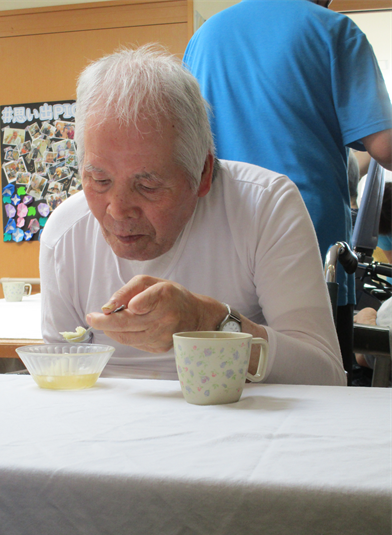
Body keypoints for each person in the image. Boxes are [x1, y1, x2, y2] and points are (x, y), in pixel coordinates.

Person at [40, 45, 346, 386]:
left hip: (240, 422)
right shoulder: (65, 234)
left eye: (147, 185)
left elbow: (326, 375)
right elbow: (60, 372)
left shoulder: (264, 206)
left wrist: (209, 321)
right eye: (99, 181)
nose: (118, 209)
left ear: (202, 173)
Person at [183, 0, 392, 380]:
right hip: (311, 255)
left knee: (226, 389)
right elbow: (386, 147)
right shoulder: (334, 31)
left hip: (221, 253)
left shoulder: (205, 37)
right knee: (316, 392)